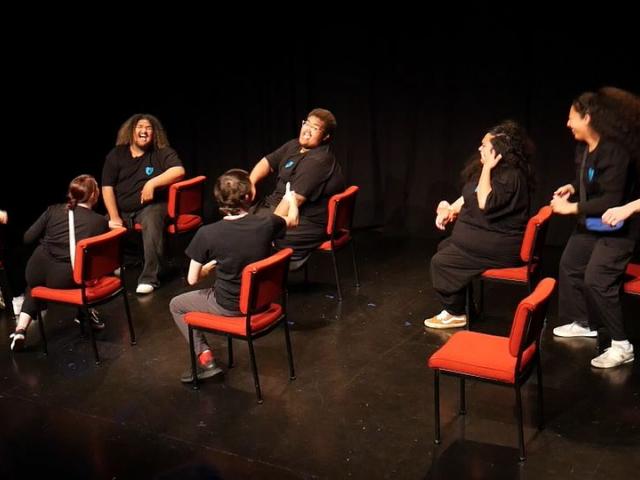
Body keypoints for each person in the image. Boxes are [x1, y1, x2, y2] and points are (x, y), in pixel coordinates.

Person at [170, 169, 299, 383]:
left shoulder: (207, 234)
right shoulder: (267, 222)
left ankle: (205, 359)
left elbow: (193, 279)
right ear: (248, 196)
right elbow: (293, 220)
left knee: (176, 304)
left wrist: (206, 269)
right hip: (264, 303)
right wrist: (290, 199)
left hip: (230, 307)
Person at [551, 87, 640, 368]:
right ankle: (584, 322)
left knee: (597, 279)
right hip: (594, 224)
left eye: (571, 117)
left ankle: (622, 345)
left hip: (619, 226)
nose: (567, 124)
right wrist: (573, 188)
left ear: (587, 117)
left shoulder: (616, 152)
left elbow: (612, 198)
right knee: (570, 264)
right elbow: (591, 183)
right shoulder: (585, 148)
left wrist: (573, 208)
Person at [424, 120, 536, 329]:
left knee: (441, 262)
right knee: (445, 247)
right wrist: (450, 209)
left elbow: (484, 202)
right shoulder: (494, 171)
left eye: (484, 146)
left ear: (497, 151)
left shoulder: (510, 176)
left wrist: (487, 168)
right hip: (487, 239)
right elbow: (471, 194)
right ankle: (464, 307)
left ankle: (455, 312)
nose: (479, 148)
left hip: (503, 246)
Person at [9, 175, 109, 351]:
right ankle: (87, 315)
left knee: (34, 287)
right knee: (84, 277)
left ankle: (20, 330)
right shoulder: (99, 222)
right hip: (64, 277)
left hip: (35, 268)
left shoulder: (53, 210)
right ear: (94, 195)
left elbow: (27, 238)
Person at [249, 108, 345, 268]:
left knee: (249, 233)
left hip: (304, 221)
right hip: (276, 206)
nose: (307, 130)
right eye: (307, 123)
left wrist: (269, 229)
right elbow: (267, 162)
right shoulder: (294, 145)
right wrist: (251, 183)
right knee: (239, 225)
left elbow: (293, 200)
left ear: (325, 136)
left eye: (315, 128)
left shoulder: (318, 161)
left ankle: (252, 284)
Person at [102, 113, 185, 294]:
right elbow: (107, 187)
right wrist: (114, 217)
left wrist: (152, 183)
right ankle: (106, 270)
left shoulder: (162, 152)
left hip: (151, 207)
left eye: (148, 128)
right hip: (122, 210)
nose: (144, 131)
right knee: (97, 224)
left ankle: (149, 278)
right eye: (140, 127)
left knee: (152, 218)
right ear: (131, 132)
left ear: (154, 133)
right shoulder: (116, 154)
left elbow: (179, 170)